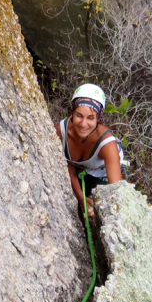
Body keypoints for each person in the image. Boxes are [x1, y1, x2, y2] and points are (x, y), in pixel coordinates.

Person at [55, 83, 124, 218]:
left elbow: (115, 189)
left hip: (101, 173)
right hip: (77, 169)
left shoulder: (107, 144)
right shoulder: (60, 132)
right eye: (79, 115)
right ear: (72, 113)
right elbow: (66, 165)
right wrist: (81, 199)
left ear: (98, 118)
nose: (83, 124)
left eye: (90, 118)